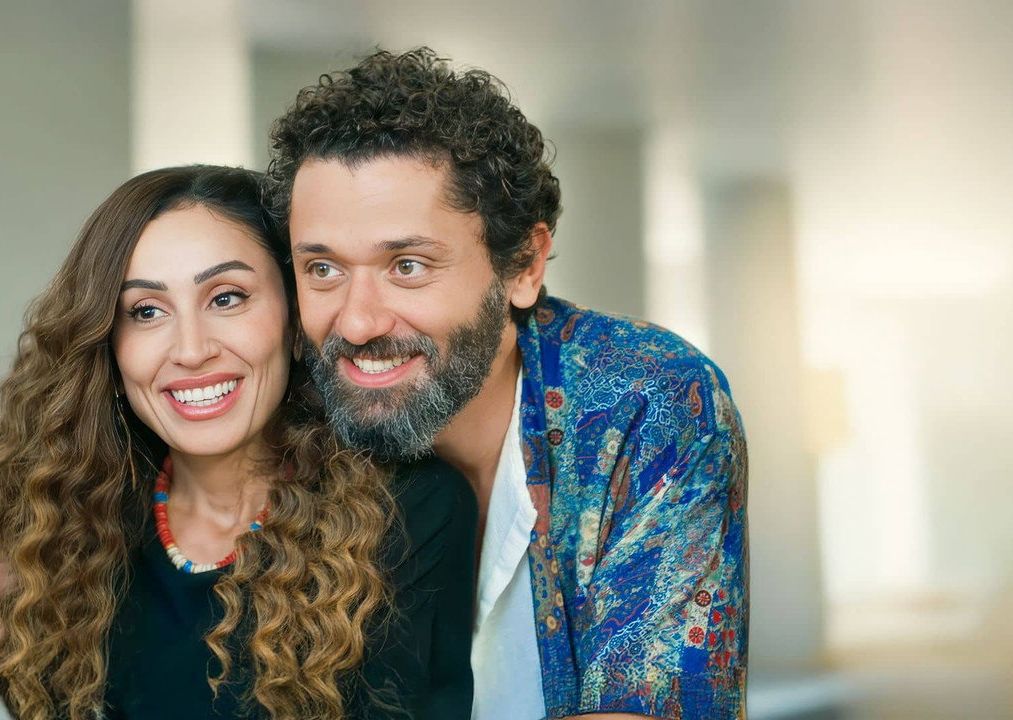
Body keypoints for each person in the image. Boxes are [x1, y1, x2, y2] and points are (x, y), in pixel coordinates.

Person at [263, 48, 749, 720]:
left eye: (407, 265)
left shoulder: (647, 400)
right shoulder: (287, 419)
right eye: (322, 269)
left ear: (523, 265)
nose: (357, 321)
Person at [0, 165, 476, 720]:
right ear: (108, 348)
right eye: (146, 311)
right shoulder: (59, 536)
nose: (191, 351)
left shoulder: (408, 512)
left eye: (226, 298)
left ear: (295, 322)